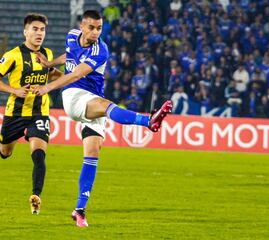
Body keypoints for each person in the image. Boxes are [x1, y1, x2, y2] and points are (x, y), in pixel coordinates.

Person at [32, 10, 172, 227]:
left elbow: (78, 72)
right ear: (82, 26)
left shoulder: (101, 50)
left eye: (99, 28)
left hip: (92, 99)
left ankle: (79, 210)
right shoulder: (71, 35)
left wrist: (48, 86)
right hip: (73, 96)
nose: (96, 32)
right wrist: (50, 65)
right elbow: (69, 58)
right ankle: (148, 122)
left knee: (92, 153)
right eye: (92, 27)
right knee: (107, 107)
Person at [0, 13, 62, 215]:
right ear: (25, 31)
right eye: (35, 29)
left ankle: (36, 196)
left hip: (40, 112)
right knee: (5, 153)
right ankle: (0, 143)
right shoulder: (12, 56)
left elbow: (52, 74)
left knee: (39, 155)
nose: (39, 33)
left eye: (42, 30)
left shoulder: (46, 53)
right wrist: (15, 90)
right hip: (16, 114)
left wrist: (65, 79)